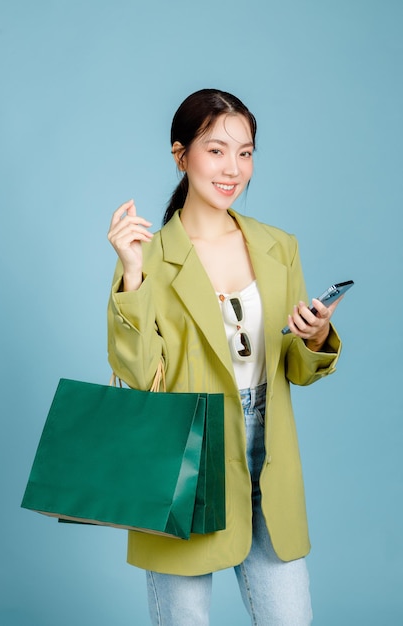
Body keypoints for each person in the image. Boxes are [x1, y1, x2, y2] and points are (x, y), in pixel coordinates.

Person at [107, 89, 342, 626]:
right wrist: (132, 274)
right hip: (187, 454)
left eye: (245, 152)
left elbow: (297, 372)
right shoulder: (150, 259)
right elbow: (139, 378)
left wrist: (315, 335)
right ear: (180, 154)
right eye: (216, 150)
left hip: (269, 455)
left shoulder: (279, 247)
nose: (233, 168)